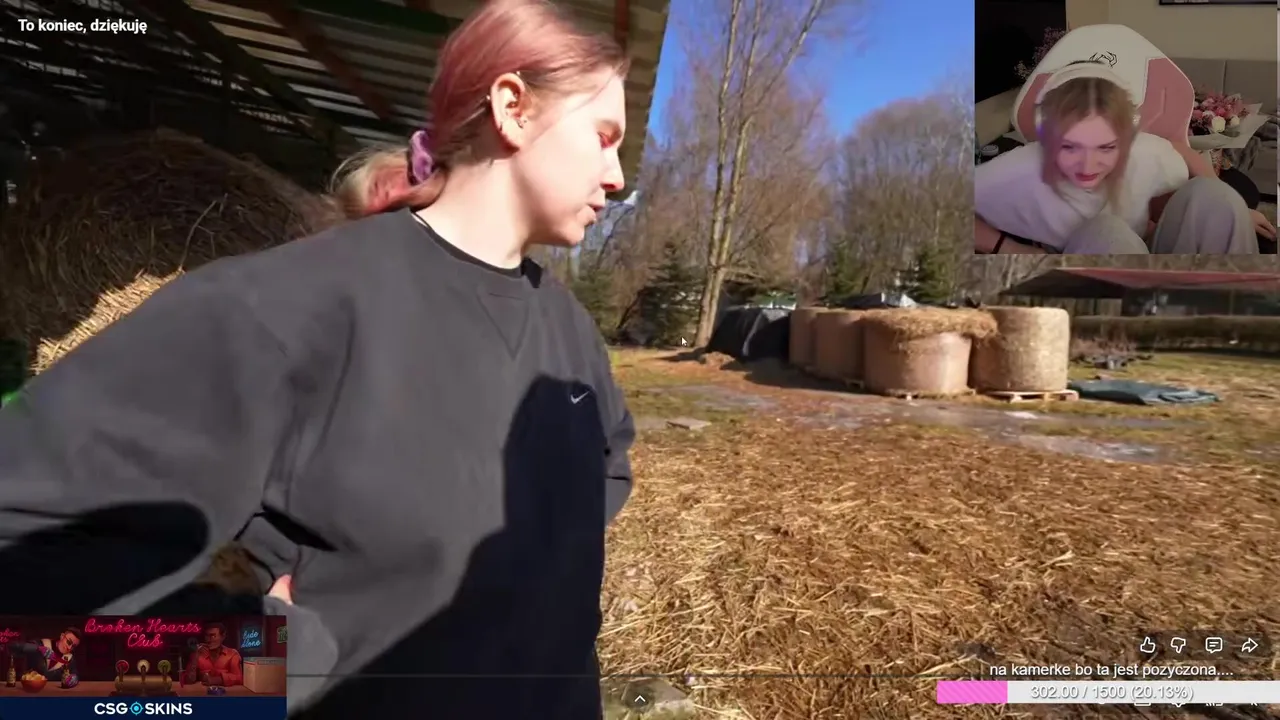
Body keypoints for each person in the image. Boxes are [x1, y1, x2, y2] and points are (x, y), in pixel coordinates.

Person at [0, 0, 635, 717]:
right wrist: (259, 670)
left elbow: (607, 470)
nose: (617, 177)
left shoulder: (572, 333)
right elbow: (30, 650)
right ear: (513, 108)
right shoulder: (290, 309)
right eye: (603, 137)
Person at [974, 61, 1272, 254]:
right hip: (1089, 265)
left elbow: (1178, 150)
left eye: (1105, 147)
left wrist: (1239, 210)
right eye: (1070, 147)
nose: (1088, 165)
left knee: (1217, 195)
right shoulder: (1022, 167)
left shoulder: (1140, 150)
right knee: (1106, 232)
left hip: (1148, 253)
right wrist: (1011, 249)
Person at [8, 627, 80, 685]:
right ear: (62, 636)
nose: (69, 647)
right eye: (69, 642)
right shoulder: (41, 643)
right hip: (30, 691)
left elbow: (75, 673)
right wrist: (38, 648)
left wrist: (75, 678)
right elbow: (12, 646)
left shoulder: (69, 659)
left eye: (73, 646)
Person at [184, 622, 242, 687]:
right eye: (206, 636)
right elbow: (188, 681)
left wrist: (216, 680)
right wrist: (195, 657)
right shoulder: (196, 655)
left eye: (213, 636)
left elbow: (239, 678)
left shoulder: (232, 654)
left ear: (223, 636)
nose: (208, 640)